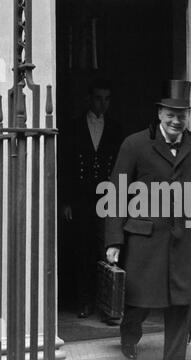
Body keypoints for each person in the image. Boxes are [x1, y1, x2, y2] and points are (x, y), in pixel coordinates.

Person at [105, 80, 191, 360]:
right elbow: (116, 194)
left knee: (181, 304)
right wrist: (114, 241)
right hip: (145, 240)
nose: (176, 121)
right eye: (171, 114)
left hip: (185, 240)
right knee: (139, 301)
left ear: (188, 116)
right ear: (160, 112)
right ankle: (129, 334)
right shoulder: (134, 144)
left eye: (182, 115)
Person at [63, 79, 122, 321]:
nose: (103, 103)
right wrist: (66, 200)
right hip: (81, 198)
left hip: (106, 197)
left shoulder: (116, 128)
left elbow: (121, 166)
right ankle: (84, 301)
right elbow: (65, 165)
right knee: (83, 249)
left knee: (106, 249)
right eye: (98, 98)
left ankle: (108, 306)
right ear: (89, 98)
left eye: (107, 99)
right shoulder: (74, 126)